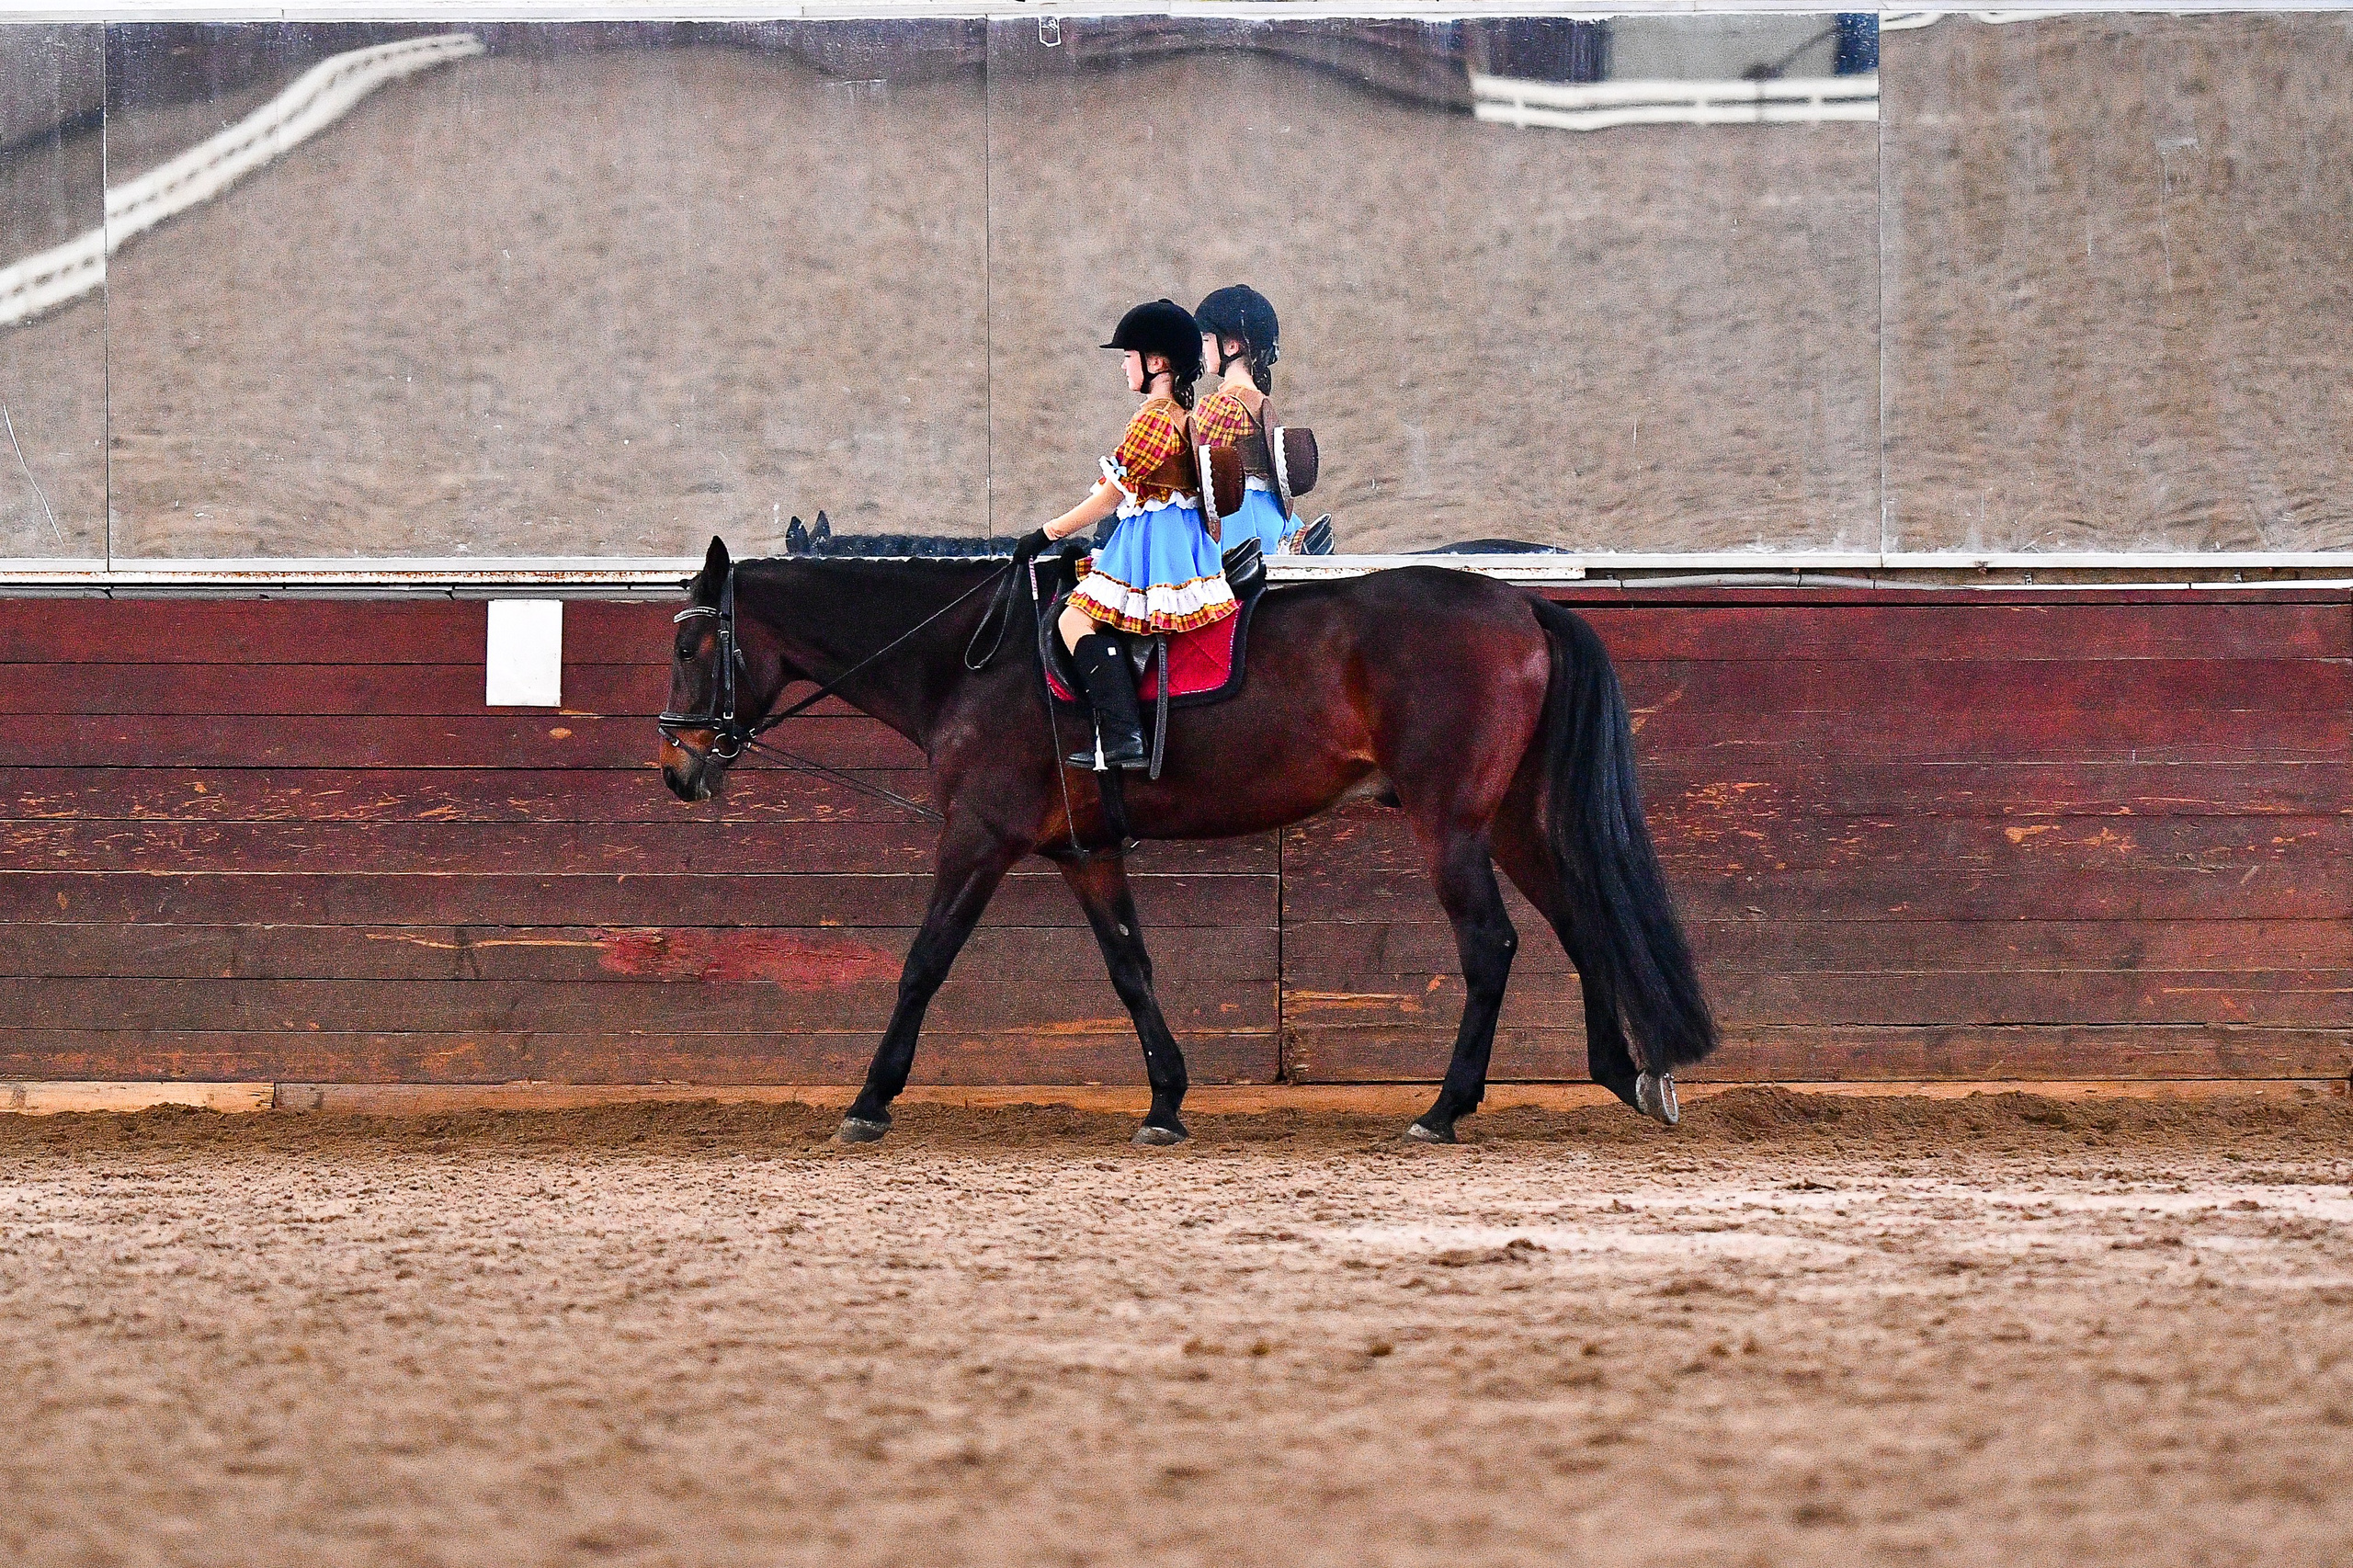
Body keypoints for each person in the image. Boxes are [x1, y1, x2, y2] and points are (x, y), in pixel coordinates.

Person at [1019, 299, 1236, 770]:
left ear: (1157, 363)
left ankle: (1123, 737)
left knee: (1074, 621)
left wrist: (1047, 532)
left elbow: (1112, 495)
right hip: (1173, 537)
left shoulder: (1154, 417)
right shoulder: (1185, 417)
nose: (1123, 365)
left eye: (1128, 355)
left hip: (1153, 541)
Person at [1190, 284, 1301, 558]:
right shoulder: (1260, 400)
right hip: (1271, 518)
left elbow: (1186, 465)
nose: (1201, 350)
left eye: (1205, 340)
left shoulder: (1222, 406)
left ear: (1230, 346)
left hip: (1235, 524)